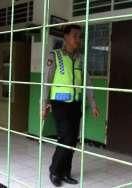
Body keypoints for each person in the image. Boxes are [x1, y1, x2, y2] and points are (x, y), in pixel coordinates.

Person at [42, 24, 100, 187]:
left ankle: (66, 172)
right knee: (66, 139)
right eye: (75, 35)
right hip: (59, 104)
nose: (78, 39)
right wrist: (44, 104)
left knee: (72, 140)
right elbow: (46, 82)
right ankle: (54, 170)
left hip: (75, 104)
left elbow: (87, 83)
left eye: (79, 36)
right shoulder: (55, 56)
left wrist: (93, 103)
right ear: (65, 37)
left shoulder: (80, 59)